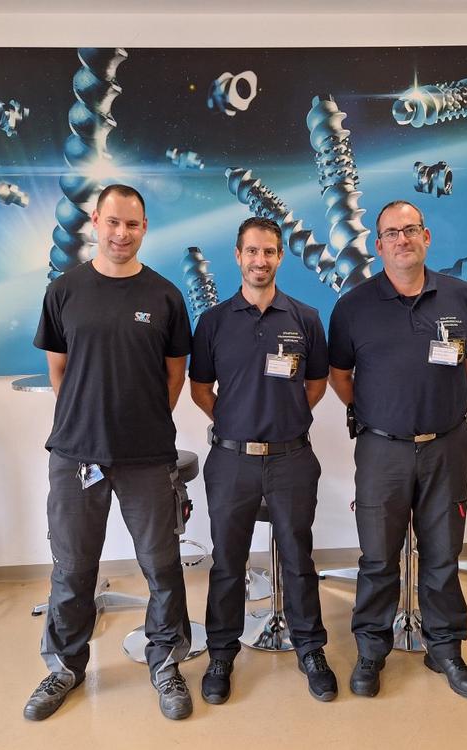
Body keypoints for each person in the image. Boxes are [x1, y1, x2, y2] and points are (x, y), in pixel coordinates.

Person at [26, 184, 195, 721]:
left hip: (147, 456)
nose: (123, 233)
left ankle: (165, 663)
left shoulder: (165, 296)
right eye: (114, 222)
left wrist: (139, 422)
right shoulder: (64, 291)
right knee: (72, 568)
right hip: (75, 454)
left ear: (145, 228)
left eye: (133, 224)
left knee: (161, 566)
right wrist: (88, 421)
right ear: (97, 222)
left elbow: (174, 376)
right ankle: (64, 667)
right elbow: (59, 371)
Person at [327, 200, 467, 700]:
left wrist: (437, 407)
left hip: (445, 447)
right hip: (382, 451)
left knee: (443, 555)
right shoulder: (353, 307)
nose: (403, 239)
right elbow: (339, 376)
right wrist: (382, 414)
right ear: (378, 245)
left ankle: (446, 650)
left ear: (426, 236)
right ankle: (371, 651)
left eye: (411, 229)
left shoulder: (462, 296)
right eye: (392, 233)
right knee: (378, 557)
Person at [189, 217, 338, 704]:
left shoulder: (305, 318)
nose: (260, 260)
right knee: (228, 563)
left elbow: (316, 384)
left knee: (298, 558)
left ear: (280, 257)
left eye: (269, 251)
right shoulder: (213, 322)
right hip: (231, 460)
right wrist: (235, 422)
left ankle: (311, 649)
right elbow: (200, 388)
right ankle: (221, 654)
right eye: (252, 251)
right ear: (238, 255)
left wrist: (283, 418)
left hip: (291, 458)